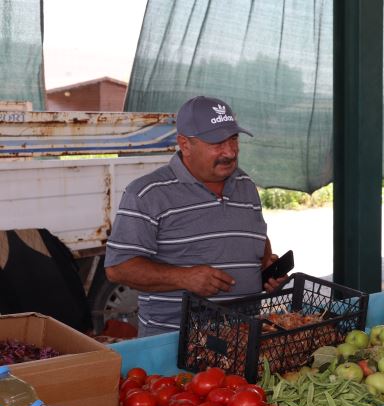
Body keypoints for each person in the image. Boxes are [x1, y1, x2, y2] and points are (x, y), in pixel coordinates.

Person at [105, 96, 286, 337]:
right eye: (217, 143)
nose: (230, 152)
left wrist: (266, 268)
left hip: (243, 339)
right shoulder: (147, 193)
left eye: (233, 139)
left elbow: (255, 237)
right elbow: (118, 268)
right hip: (175, 345)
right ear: (185, 144)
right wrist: (184, 277)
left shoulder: (245, 185)